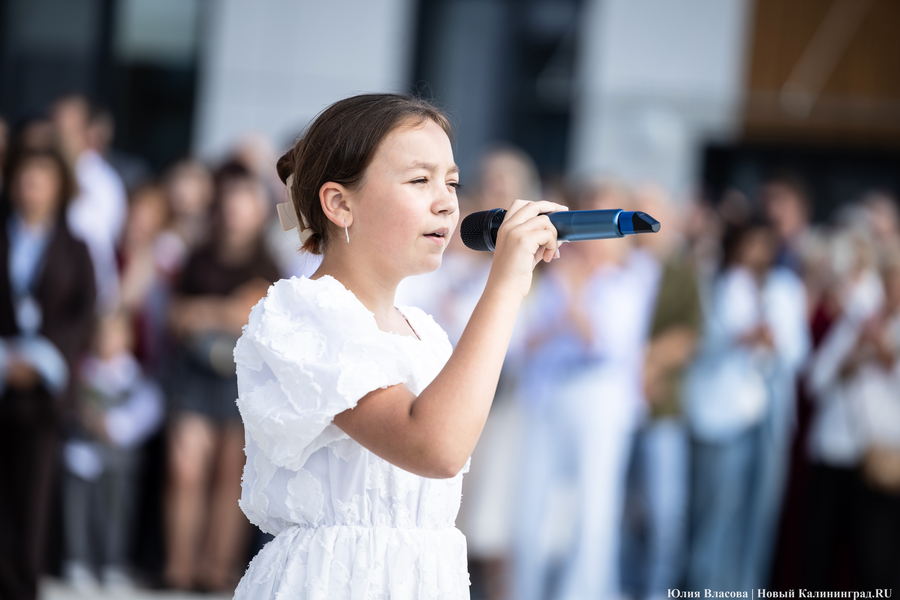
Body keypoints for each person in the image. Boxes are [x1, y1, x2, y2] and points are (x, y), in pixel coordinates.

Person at [232, 93, 565, 598]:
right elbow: (436, 446)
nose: (447, 201)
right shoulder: (302, 313)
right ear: (340, 203)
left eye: (452, 181)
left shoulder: (424, 330)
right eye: (419, 180)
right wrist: (505, 286)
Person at [164, 163, 281, 592]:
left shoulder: (269, 261)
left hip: (242, 378)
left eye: (244, 200)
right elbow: (175, 316)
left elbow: (254, 317)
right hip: (194, 374)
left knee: (231, 475)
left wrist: (207, 312)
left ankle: (218, 569)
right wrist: (225, 310)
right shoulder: (198, 255)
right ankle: (180, 566)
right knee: (186, 469)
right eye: (229, 199)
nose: (235, 209)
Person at [0, 144, 96, 600]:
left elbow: (83, 314)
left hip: (44, 388)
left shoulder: (75, 247)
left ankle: (23, 583)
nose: (31, 186)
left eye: (42, 177)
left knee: (34, 490)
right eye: (24, 176)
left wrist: (38, 359)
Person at [62, 311, 165, 591]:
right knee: (79, 510)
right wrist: (86, 419)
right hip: (84, 457)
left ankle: (113, 562)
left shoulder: (134, 377)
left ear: (128, 339)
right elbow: (72, 407)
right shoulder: (84, 373)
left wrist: (120, 426)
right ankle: (78, 560)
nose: (107, 341)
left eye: (115, 335)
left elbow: (149, 411)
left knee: (117, 512)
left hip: (120, 462)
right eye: (102, 335)